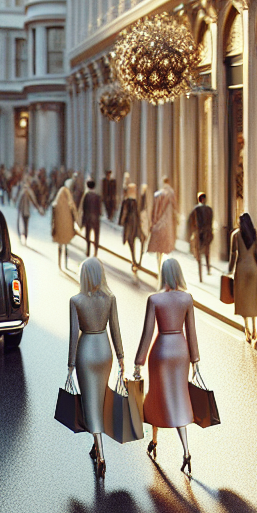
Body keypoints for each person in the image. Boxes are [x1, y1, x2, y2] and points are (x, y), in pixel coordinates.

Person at [133, 257, 201, 476]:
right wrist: (195, 362)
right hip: (180, 350)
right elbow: (192, 333)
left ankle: (154, 440)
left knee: (156, 396)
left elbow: (147, 333)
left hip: (160, 351)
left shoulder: (154, 299)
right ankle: (186, 450)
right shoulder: (187, 299)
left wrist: (138, 362)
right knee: (180, 398)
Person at [68, 257, 124, 479]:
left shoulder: (76, 300)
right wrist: (121, 356)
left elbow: (74, 335)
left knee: (89, 402)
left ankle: (101, 454)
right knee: (98, 399)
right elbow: (116, 329)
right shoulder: (110, 298)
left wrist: (70, 364)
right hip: (104, 350)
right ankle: (95, 444)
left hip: (86, 351)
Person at [228, 212, 257, 345]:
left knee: (242, 299)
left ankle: (247, 329)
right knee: (253, 299)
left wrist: (230, 270)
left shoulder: (235, 235)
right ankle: (255, 329)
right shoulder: (255, 235)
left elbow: (233, 255)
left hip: (241, 269)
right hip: (253, 269)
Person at [147, 176, 178, 269]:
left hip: (159, 223)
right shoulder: (171, 193)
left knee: (158, 248)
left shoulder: (158, 194)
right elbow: (175, 208)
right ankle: (165, 267)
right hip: (168, 224)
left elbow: (154, 211)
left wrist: (153, 222)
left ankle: (159, 266)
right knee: (167, 248)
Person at [52, 178, 80, 269]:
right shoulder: (68, 195)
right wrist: (77, 222)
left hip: (59, 225)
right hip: (67, 225)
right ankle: (65, 264)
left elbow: (54, 207)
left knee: (60, 245)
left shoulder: (59, 194)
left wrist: (53, 223)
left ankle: (60, 263)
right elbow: (73, 209)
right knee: (66, 245)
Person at [187, 192, 214, 281]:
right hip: (208, 233)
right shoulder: (209, 209)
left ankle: (200, 276)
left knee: (198, 254)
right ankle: (208, 268)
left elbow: (190, 221)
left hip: (199, 233)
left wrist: (192, 231)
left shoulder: (196, 209)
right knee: (207, 252)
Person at [118, 182, 144, 271]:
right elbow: (137, 214)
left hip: (129, 223)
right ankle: (137, 261)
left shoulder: (126, 201)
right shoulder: (135, 202)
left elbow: (124, 212)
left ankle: (134, 260)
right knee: (136, 240)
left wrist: (121, 221)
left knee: (130, 241)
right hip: (135, 223)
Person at [15, 177, 41, 244]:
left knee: (25, 225)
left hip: (27, 212)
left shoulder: (29, 193)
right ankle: (22, 237)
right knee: (22, 225)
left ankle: (25, 238)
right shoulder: (23, 193)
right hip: (23, 211)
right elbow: (18, 201)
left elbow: (33, 201)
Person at [81, 178, 102, 258]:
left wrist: (83, 221)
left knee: (88, 236)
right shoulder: (97, 196)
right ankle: (96, 252)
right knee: (96, 235)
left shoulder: (86, 196)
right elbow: (99, 209)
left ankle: (88, 251)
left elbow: (84, 208)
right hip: (96, 218)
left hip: (88, 218)